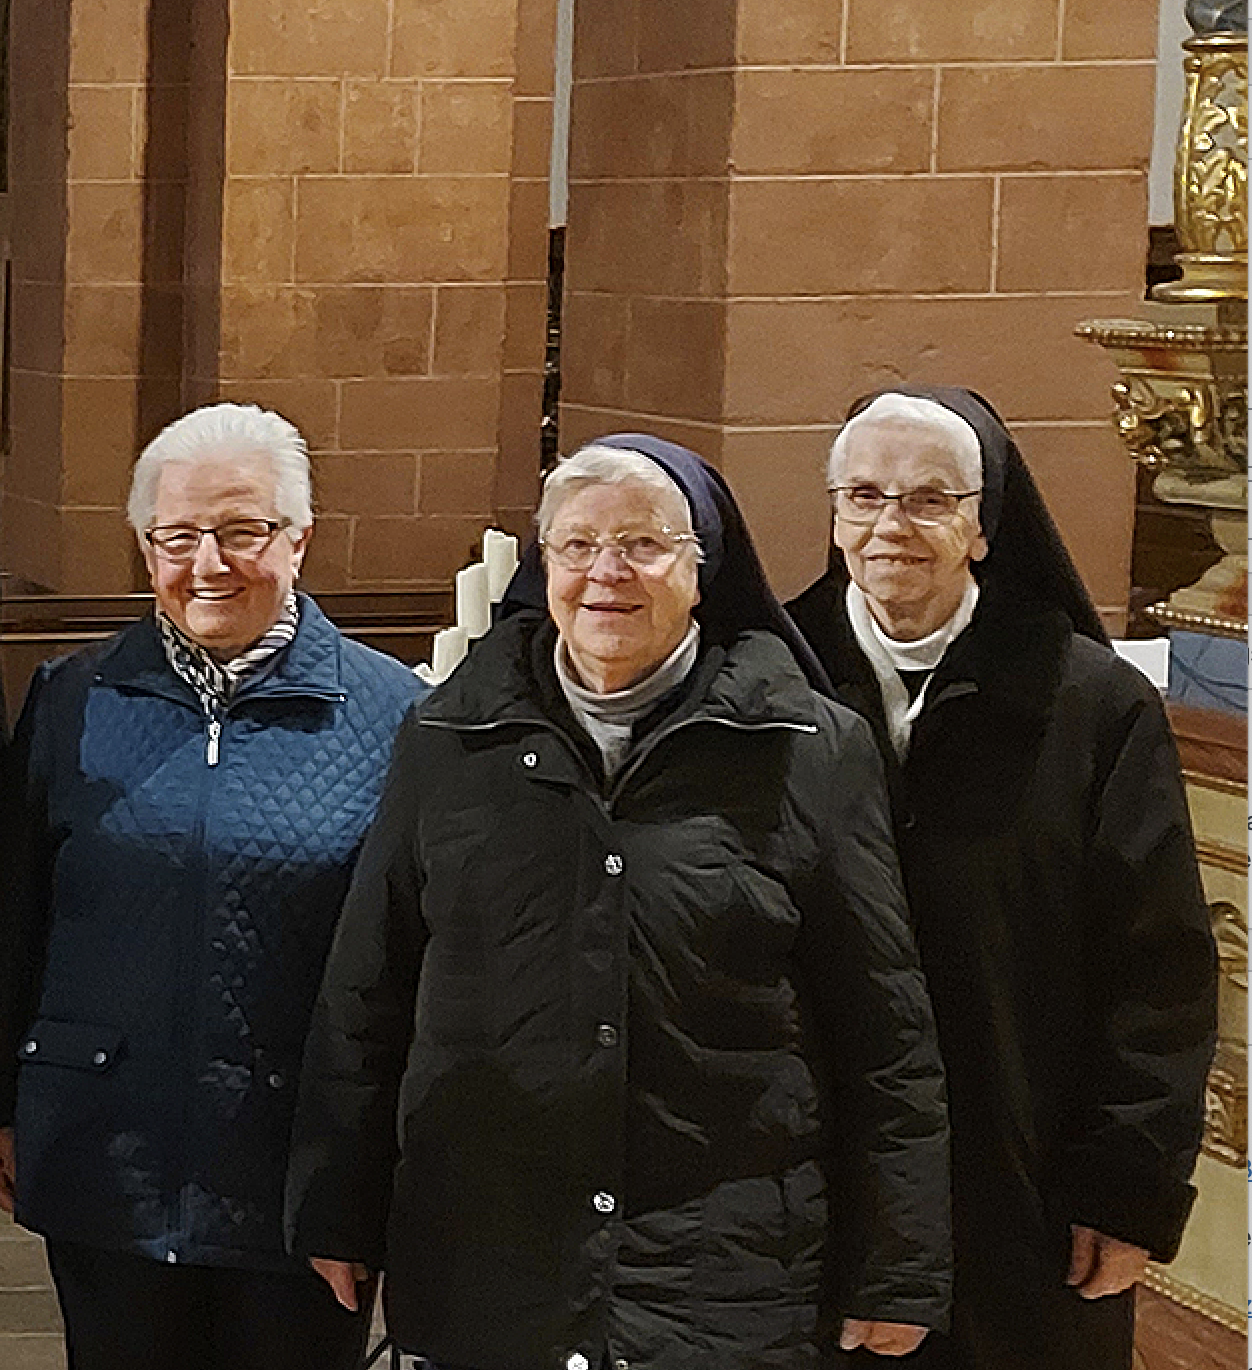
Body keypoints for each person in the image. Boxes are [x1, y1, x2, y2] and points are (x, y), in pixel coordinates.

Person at [291, 435, 950, 1370]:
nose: (606, 573)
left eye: (643, 545)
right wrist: (338, 1204)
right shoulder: (449, 737)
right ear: (544, 566)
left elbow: (886, 1032)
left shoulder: (809, 748)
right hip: (491, 1264)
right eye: (577, 545)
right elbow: (368, 988)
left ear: (700, 570)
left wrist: (899, 1269)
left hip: (718, 1276)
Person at [0, 404, 418, 1370]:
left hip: (293, 1174)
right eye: (178, 537)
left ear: (298, 538)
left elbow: (413, 960)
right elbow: (9, 913)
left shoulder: (393, 715)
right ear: (145, 546)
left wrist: (379, 1172)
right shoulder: (75, 697)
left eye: (242, 532)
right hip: (106, 1154)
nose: (209, 563)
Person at [784, 388, 1214, 1370]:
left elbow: (1159, 970)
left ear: (984, 527)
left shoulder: (1092, 704)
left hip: (1027, 1180)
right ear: (835, 516)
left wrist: (1127, 1187)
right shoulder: (770, 684)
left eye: (930, 500)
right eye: (864, 496)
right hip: (817, 1187)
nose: (891, 525)